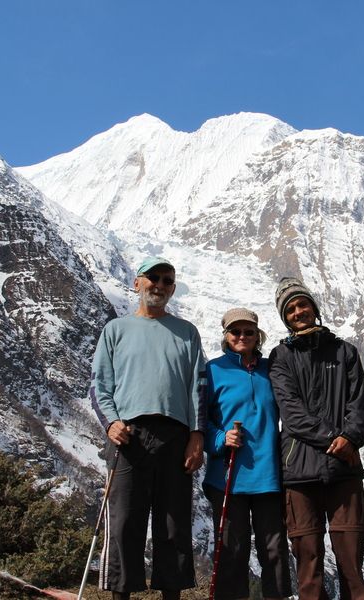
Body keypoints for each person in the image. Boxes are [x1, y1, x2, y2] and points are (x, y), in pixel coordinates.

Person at [89, 256, 206, 600]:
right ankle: (120, 593)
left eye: (168, 280)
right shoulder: (116, 330)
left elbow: (197, 388)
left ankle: (172, 594)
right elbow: (99, 385)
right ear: (137, 283)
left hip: (176, 435)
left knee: (173, 523)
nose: (160, 284)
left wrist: (197, 435)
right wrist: (111, 423)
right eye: (153, 277)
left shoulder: (187, 333)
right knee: (125, 520)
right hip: (129, 435)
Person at [268, 277, 364, 600]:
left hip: (344, 471)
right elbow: (293, 414)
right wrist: (337, 441)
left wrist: (351, 437)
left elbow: (360, 405)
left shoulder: (345, 352)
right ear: (285, 317)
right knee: (308, 563)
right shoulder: (280, 357)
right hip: (301, 473)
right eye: (291, 309)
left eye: (303, 304)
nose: (299, 311)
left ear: (314, 307)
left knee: (352, 561)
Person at [203, 308, 292, 600]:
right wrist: (221, 437)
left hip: (269, 478)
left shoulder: (273, 369)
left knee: (275, 552)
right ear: (226, 336)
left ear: (258, 335)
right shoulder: (213, 371)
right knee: (232, 552)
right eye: (235, 332)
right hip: (228, 478)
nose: (242, 336)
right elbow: (199, 420)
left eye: (248, 331)